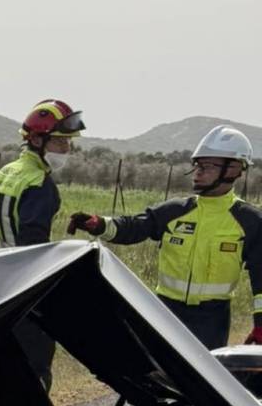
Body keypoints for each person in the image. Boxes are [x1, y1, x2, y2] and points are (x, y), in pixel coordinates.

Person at [68, 125, 262, 350]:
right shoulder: (174, 210)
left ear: (234, 168)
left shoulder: (251, 221)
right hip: (165, 312)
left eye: (208, 166)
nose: (198, 172)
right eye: (197, 165)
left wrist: (260, 326)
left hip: (212, 319)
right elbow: (134, 227)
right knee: (155, 376)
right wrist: (99, 224)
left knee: (199, 382)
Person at [0, 99, 86, 390]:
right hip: (22, 297)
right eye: (60, 142)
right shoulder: (39, 184)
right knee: (32, 378)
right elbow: (34, 247)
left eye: (69, 143)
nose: (67, 150)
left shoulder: (1, 175)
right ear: (36, 139)